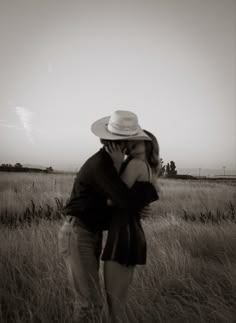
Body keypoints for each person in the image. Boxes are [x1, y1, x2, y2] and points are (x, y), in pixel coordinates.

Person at [58, 111, 159, 322]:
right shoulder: (102, 165)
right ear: (119, 141)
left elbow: (121, 202)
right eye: (129, 139)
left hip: (89, 234)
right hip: (78, 233)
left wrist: (137, 205)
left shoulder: (113, 164)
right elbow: (122, 199)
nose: (131, 143)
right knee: (89, 304)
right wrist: (150, 194)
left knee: (92, 302)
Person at [102, 129, 160, 323]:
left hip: (122, 234)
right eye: (131, 139)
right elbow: (136, 201)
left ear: (148, 144)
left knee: (114, 309)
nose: (133, 141)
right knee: (120, 305)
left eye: (139, 139)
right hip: (133, 234)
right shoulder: (148, 168)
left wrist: (116, 163)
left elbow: (113, 199)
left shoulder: (134, 164)